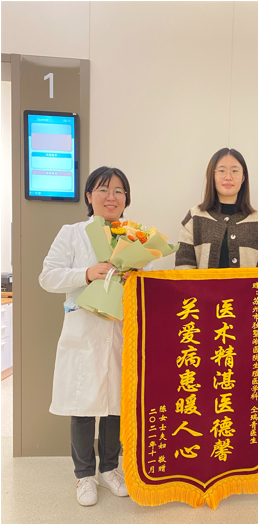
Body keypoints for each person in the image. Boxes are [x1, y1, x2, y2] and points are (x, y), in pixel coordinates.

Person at [39, 167, 149, 506]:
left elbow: (145, 286)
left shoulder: (135, 236)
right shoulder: (72, 233)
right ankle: (84, 474)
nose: (111, 197)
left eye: (119, 191)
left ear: (126, 198)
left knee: (116, 404)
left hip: (120, 331)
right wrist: (86, 273)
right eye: (103, 189)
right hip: (84, 331)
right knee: (83, 405)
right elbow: (48, 276)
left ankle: (110, 469)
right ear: (89, 196)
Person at [175, 148, 258, 269]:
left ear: (243, 177)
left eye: (235, 171)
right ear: (212, 176)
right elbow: (183, 264)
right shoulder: (195, 217)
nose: (228, 177)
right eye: (221, 171)